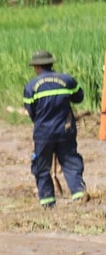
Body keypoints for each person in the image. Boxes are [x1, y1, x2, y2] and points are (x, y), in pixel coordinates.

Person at [22, 50, 88, 207]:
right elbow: (79, 97)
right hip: (66, 130)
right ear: (51, 64)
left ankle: (48, 202)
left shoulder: (31, 87)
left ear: (37, 67)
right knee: (71, 161)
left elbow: (31, 112)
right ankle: (79, 195)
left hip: (43, 133)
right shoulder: (66, 80)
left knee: (41, 166)